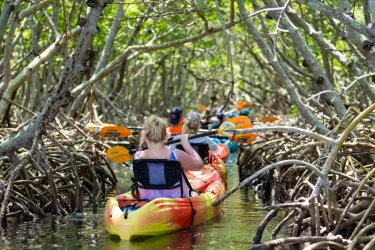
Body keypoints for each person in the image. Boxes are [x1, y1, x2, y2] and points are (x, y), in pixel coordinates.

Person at [134, 115, 203, 200]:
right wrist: (186, 144)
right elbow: (199, 165)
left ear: (145, 138)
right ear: (166, 136)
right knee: (194, 193)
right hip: (175, 199)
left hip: (148, 199)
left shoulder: (138, 156)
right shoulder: (176, 154)